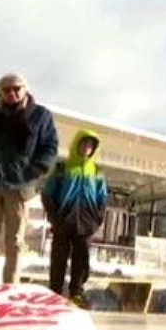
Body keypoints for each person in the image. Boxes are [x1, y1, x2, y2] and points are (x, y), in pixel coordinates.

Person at [0, 73, 58, 286]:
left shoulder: (40, 116)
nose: (12, 93)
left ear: (25, 89)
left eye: (17, 89)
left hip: (19, 186)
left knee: (14, 241)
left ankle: (10, 287)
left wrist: (35, 169)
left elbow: (50, 146)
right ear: (0, 93)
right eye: (6, 90)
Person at [41, 129, 108, 307]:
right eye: (84, 143)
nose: (87, 147)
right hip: (63, 221)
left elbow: (102, 199)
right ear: (77, 144)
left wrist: (96, 220)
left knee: (82, 258)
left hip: (86, 224)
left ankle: (76, 293)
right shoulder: (62, 168)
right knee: (58, 258)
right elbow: (47, 194)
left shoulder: (97, 172)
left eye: (91, 145)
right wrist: (54, 217)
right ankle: (55, 291)